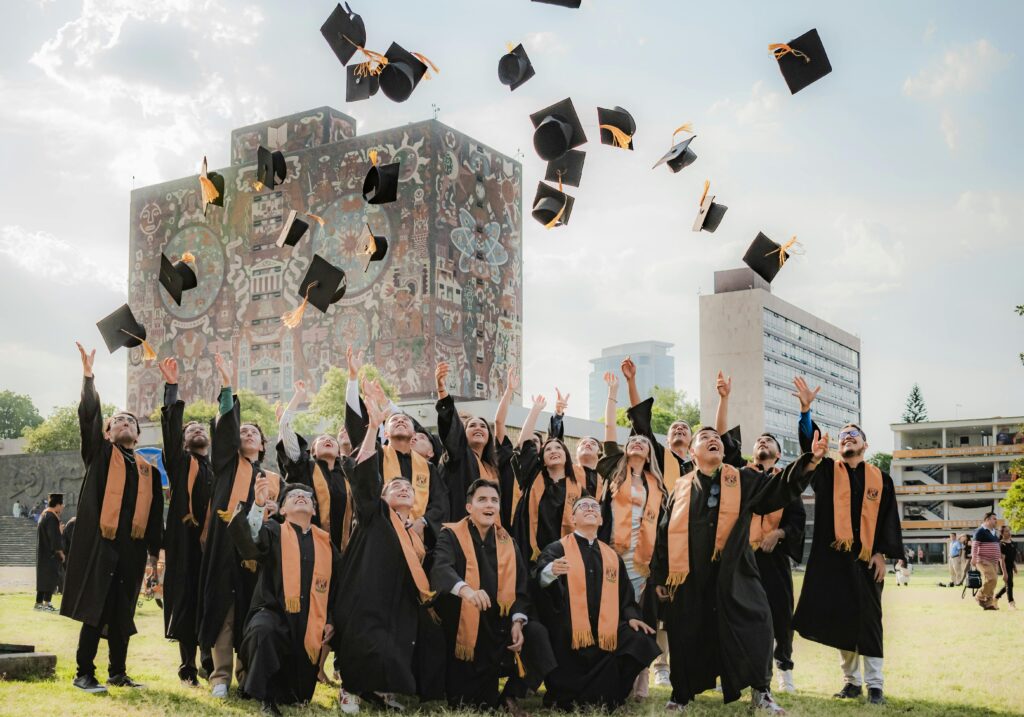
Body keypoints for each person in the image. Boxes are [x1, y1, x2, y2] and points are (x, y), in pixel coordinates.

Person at [792, 376, 904, 706]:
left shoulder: (880, 479)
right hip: (834, 559)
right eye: (842, 436)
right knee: (841, 619)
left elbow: (888, 518)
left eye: (853, 434)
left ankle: (875, 684)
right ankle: (851, 682)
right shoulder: (827, 472)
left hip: (866, 559)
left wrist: (882, 553)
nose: (846, 438)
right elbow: (807, 447)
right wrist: (806, 410)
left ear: (865, 445)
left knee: (869, 621)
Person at [331, 394, 445, 713]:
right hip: (366, 591)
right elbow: (363, 469)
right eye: (395, 487)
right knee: (363, 636)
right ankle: (350, 689)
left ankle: (379, 690)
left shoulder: (414, 531)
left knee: (397, 638)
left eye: (407, 488)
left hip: (399, 595)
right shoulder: (374, 512)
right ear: (382, 495)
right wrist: (374, 427)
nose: (403, 489)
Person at [62, 342, 163, 694]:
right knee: (95, 607)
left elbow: (154, 518)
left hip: (132, 550)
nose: (124, 423)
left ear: (138, 434)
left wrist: (154, 555)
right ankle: (83, 673)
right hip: (100, 545)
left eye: (130, 421)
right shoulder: (100, 454)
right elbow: (89, 417)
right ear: (107, 432)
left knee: (122, 613)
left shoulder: (148, 470)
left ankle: (117, 672)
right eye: (117, 420)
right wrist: (89, 377)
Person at [196, 354, 283, 698]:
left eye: (254, 433)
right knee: (224, 610)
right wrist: (228, 386)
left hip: (257, 556)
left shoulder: (273, 478)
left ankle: (249, 674)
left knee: (251, 611)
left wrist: (274, 508)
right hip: (223, 548)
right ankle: (220, 676)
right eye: (242, 431)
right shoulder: (226, 466)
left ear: (263, 445)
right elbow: (227, 427)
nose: (246, 434)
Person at [431, 479, 555, 714]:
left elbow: (522, 588)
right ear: (469, 507)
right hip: (464, 627)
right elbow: (441, 569)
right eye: (482, 500)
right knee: (470, 703)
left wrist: (518, 621)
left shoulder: (508, 542)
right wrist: (467, 591)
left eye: (494, 500)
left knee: (537, 636)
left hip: (501, 625)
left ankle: (510, 696)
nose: (489, 505)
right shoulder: (451, 535)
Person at [533, 495, 660, 710]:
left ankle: (613, 695)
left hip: (605, 629)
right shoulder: (557, 549)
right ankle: (571, 696)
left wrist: (631, 618)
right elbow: (539, 580)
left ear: (601, 520)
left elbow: (625, 596)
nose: (590, 509)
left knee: (641, 641)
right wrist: (550, 572)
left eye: (594, 507)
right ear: (573, 519)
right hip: (569, 630)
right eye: (583, 506)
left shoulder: (612, 556)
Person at [228, 481, 340, 716]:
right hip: (272, 610)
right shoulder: (273, 530)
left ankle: (273, 688)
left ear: (314, 510)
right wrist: (258, 507)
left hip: (309, 619)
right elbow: (251, 544)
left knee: (296, 695)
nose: (301, 497)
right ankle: (266, 699)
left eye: (306, 496)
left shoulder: (325, 542)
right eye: (293, 496)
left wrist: (330, 618)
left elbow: (336, 586)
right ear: (282, 510)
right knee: (263, 630)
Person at [593, 371, 665, 701]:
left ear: (649, 454)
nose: (637, 442)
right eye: (632, 440)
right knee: (614, 613)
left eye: (643, 442)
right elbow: (609, 430)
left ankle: (643, 677)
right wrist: (612, 392)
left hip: (645, 560)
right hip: (612, 553)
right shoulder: (613, 470)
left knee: (645, 615)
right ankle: (612, 672)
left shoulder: (658, 485)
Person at [158, 356, 214, 686]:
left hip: (213, 543)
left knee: (211, 597)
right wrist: (172, 390)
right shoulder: (179, 464)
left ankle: (209, 660)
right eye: (189, 429)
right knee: (185, 598)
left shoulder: (219, 468)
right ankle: (187, 667)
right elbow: (170, 428)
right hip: (184, 541)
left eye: (200, 428)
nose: (196, 429)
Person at [346, 376, 449, 550]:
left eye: (405, 421)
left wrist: (422, 522)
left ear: (414, 433)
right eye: (394, 421)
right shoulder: (376, 455)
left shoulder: (428, 468)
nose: (400, 421)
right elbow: (362, 473)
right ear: (385, 433)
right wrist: (353, 377)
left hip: (417, 540)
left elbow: (440, 503)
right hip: (378, 536)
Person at [276, 378, 355, 552]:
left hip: (345, 551)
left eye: (331, 440)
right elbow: (285, 429)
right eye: (322, 440)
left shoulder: (347, 473)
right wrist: (299, 396)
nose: (328, 439)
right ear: (312, 451)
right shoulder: (304, 467)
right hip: (306, 547)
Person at [513, 394, 592, 563]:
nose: (554, 451)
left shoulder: (580, 491)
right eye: (548, 449)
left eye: (558, 448)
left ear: (566, 456)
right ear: (542, 458)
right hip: (530, 555)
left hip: (567, 558)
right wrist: (535, 410)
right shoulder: (533, 477)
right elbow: (524, 442)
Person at [434, 361, 502, 522]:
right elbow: (452, 428)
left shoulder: (490, 468)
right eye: (472, 425)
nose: (478, 428)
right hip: (458, 528)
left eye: (483, 426)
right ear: (462, 433)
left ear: (489, 436)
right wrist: (442, 390)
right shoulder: (458, 455)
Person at [35, 492, 65, 612]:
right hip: (50, 554)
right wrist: (61, 552)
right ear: (57, 505)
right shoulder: (52, 517)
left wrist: (59, 531)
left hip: (43, 552)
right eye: (62, 505)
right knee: (50, 578)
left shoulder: (44, 515)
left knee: (43, 578)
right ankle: (46, 604)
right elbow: (53, 537)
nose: (63, 507)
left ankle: (38, 604)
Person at [971, 512, 1002, 611]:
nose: (996, 520)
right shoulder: (980, 531)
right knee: (991, 579)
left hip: (993, 561)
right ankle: (979, 596)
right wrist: (974, 558)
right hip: (983, 560)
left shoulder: (993, 531)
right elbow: (975, 545)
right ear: (987, 520)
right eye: (994, 519)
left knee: (993, 582)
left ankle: (988, 604)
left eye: (996, 519)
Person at [995, 525, 1017, 609]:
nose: (1009, 532)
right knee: (1009, 584)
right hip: (1004, 566)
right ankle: (1011, 603)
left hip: (1010, 566)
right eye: (1006, 531)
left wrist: (1014, 567)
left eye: (1009, 531)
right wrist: (1004, 573)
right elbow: (1002, 560)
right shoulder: (1001, 544)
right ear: (1002, 533)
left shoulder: (1012, 543)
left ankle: (996, 597)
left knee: (1009, 585)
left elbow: (1012, 557)